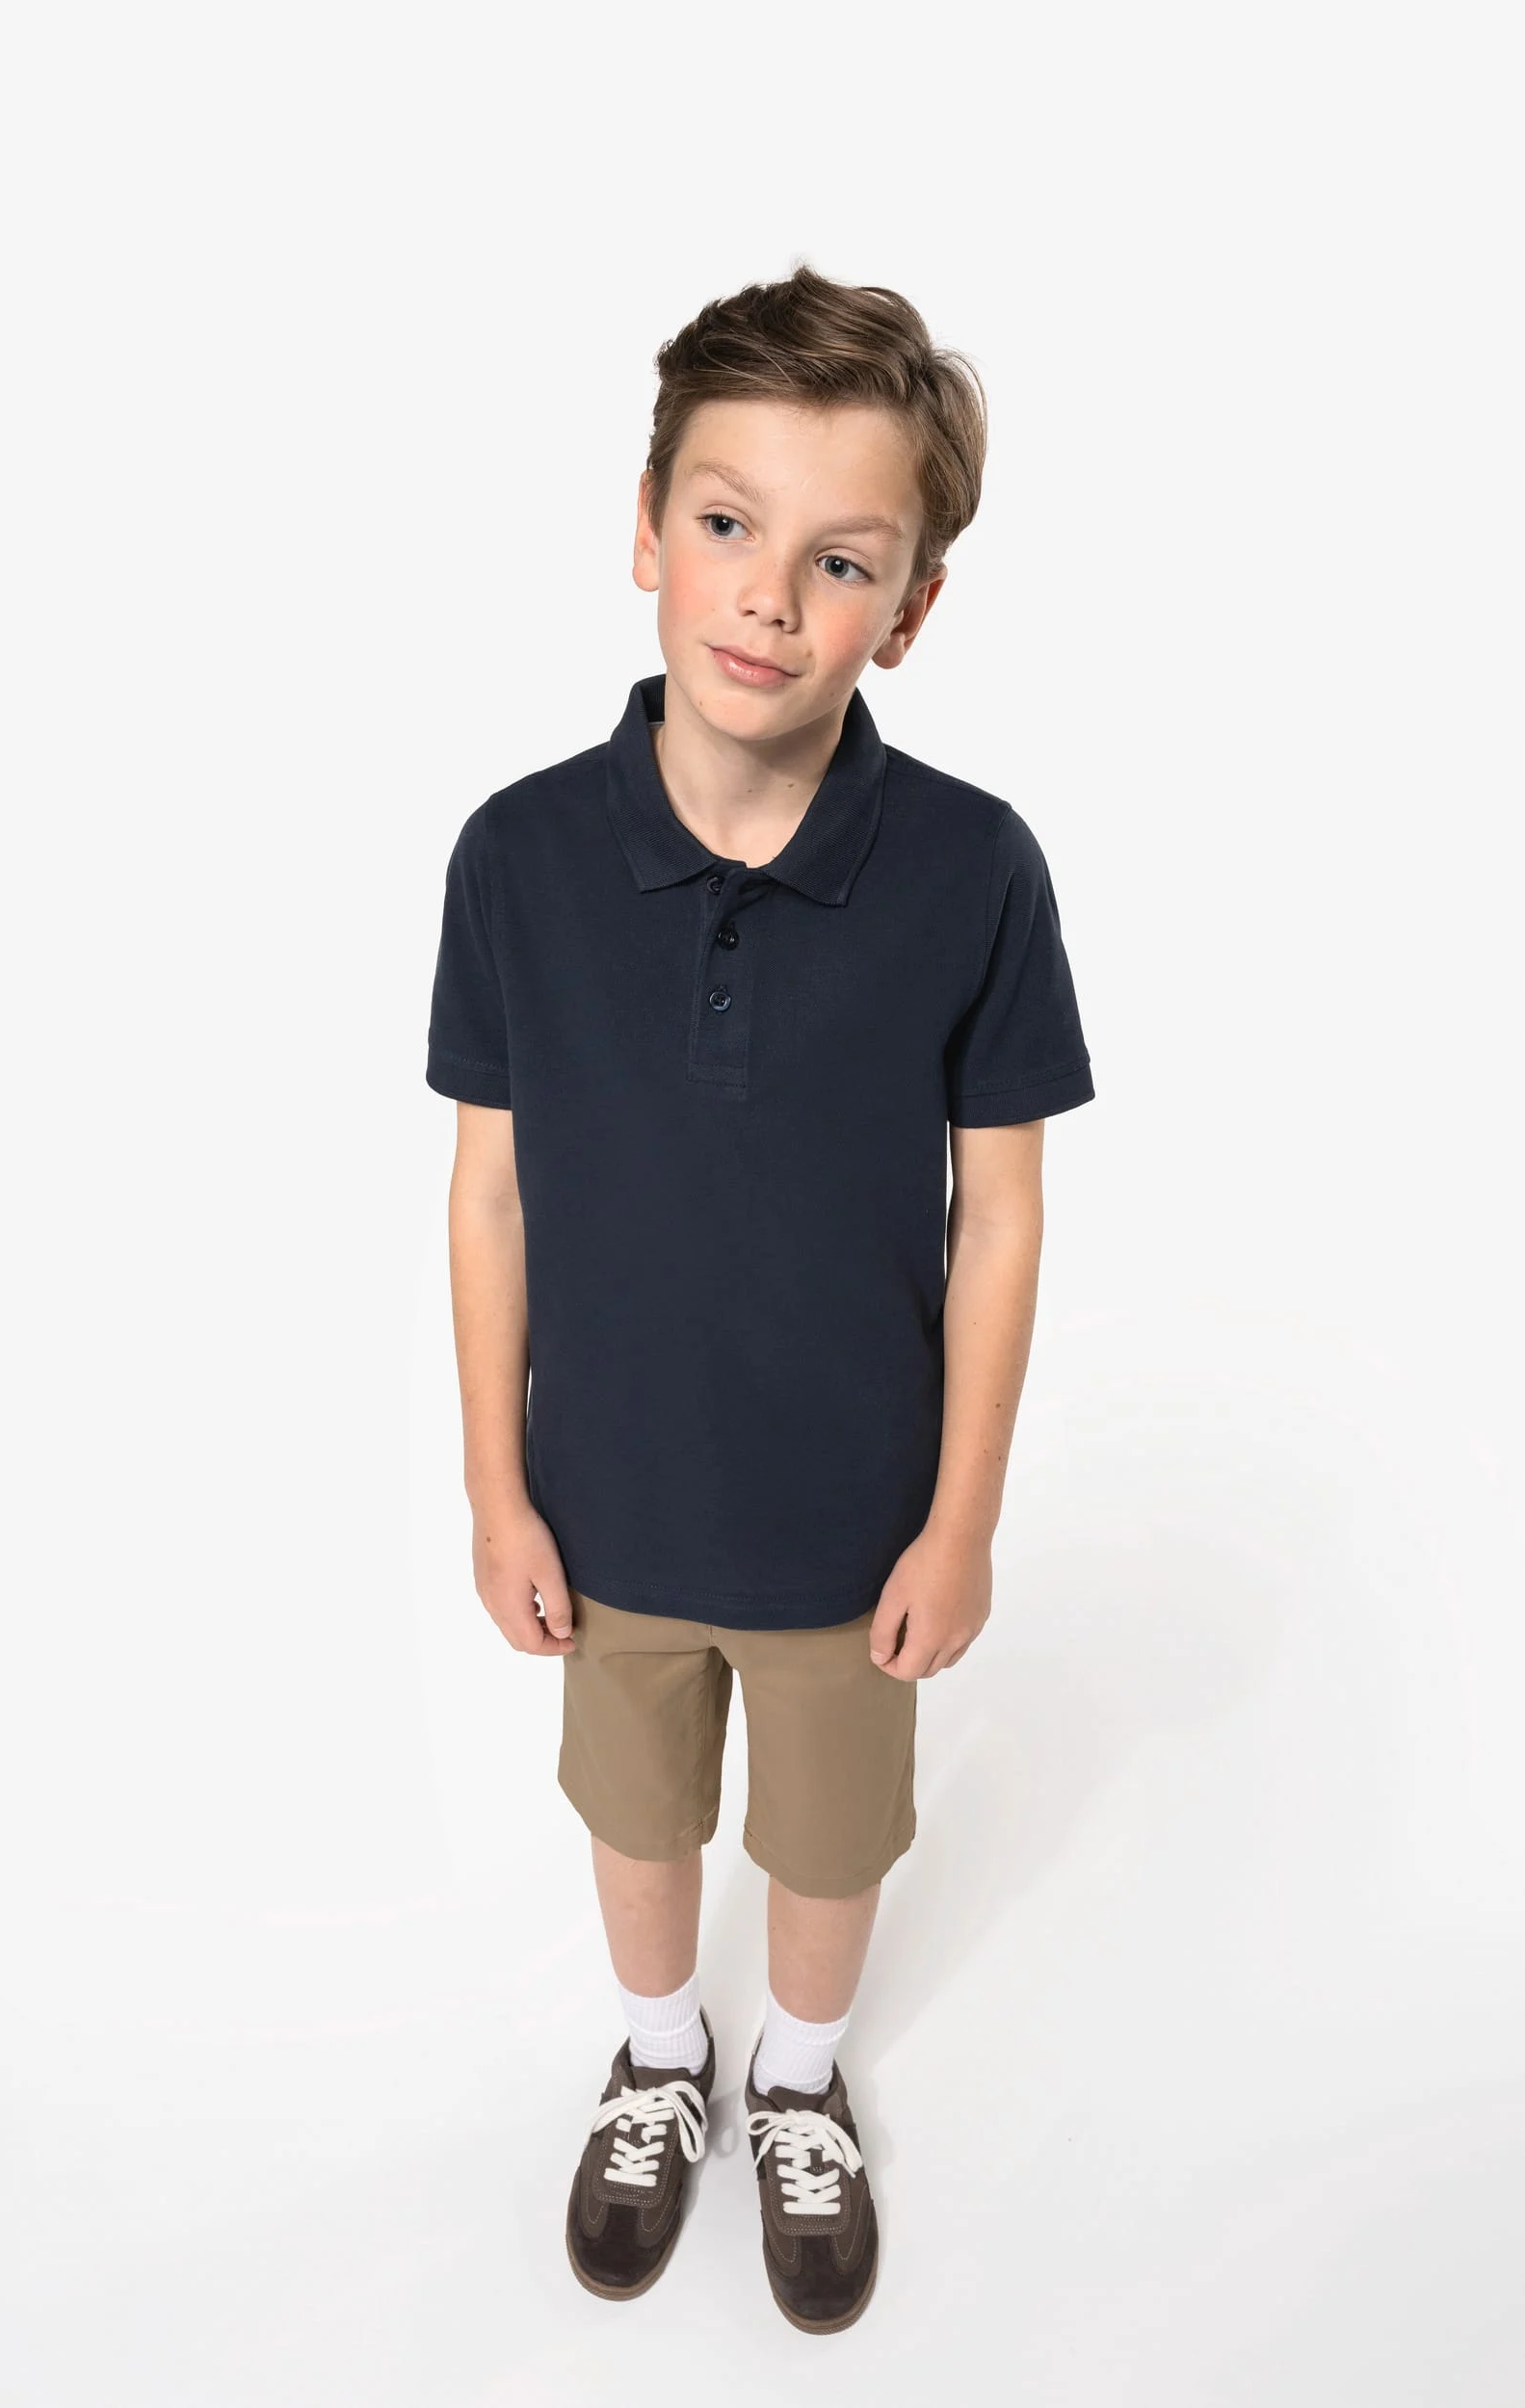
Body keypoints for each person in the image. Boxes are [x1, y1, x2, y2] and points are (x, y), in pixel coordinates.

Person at [426, 264, 1095, 2335]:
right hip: (604, 1505)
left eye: (840, 560)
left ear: (909, 608)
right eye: (725, 522)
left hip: (846, 1526)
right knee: (637, 1820)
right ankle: (660, 2055)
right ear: (646, 529)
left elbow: (1001, 1214)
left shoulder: (973, 870)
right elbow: (488, 1190)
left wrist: (959, 1519)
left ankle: (796, 2079)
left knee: (825, 1841)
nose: (768, 598)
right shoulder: (517, 855)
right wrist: (497, 1490)